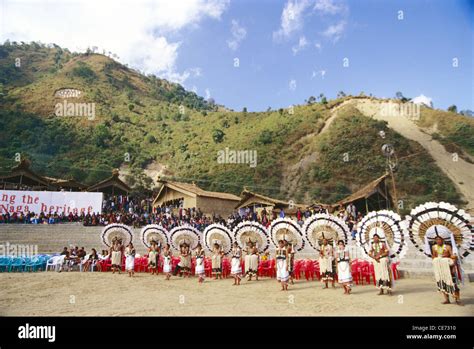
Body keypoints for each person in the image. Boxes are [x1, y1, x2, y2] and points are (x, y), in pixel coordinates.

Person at [431, 235, 463, 305]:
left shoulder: (448, 247)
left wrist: (454, 258)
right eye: (437, 239)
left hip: (449, 268)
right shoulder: (434, 247)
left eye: (439, 239)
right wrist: (436, 259)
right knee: (442, 283)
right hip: (440, 268)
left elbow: (451, 255)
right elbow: (433, 256)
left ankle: (457, 299)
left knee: (453, 283)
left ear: (443, 240)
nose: (438, 241)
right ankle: (447, 300)